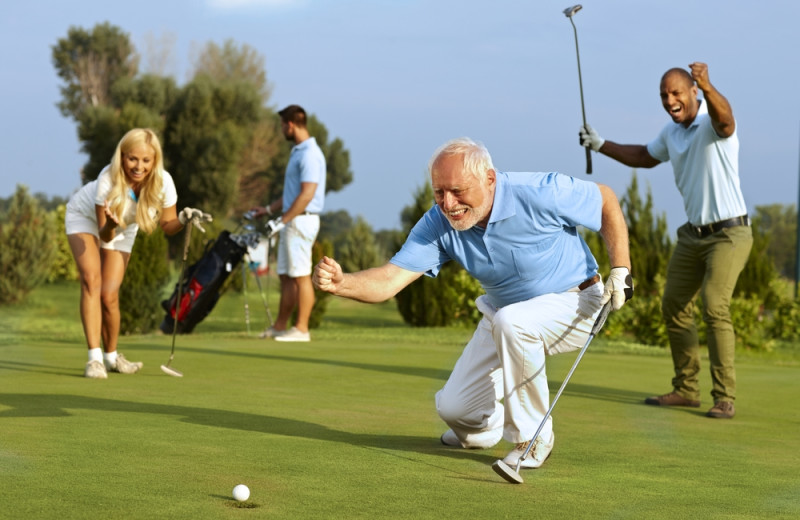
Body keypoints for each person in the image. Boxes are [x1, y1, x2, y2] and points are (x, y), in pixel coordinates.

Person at [312, 137, 633, 469]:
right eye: (439, 192)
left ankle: (533, 439)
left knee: (514, 322)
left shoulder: (538, 191)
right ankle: (483, 433)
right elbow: (390, 279)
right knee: (455, 410)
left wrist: (621, 269)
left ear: (490, 179)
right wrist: (342, 283)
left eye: (458, 191)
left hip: (577, 303)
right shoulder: (439, 223)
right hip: (505, 316)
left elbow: (605, 200)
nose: (448, 204)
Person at [579, 62, 752, 419]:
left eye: (676, 92)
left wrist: (708, 85)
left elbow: (727, 119)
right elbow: (643, 156)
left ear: (692, 93)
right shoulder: (671, 135)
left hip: (730, 234)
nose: (669, 100)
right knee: (673, 305)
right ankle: (687, 389)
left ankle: (724, 397)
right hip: (693, 235)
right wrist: (600, 144)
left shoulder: (713, 123)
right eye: (664, 95)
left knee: (714, 306)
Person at [65, 128, 211, 379]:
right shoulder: (108, 180)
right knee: (91, 281)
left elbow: (167, 225)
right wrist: (110, 225)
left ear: (155, 161)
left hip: (123, 227)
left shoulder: (164, 182)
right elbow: (105, 235)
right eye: (132, 158)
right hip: (86, 220)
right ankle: (95, 359)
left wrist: (183, 218)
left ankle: (112, 357)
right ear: (122, 156)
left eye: (146, 160)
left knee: (109, 295)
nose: (139, 166)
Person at [252, 105, 326, 343]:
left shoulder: (310, 154)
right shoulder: (298, 152)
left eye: (282, 125)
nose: (282, 130)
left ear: (290, 125)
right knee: (286, 275)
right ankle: (281, 326)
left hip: (300, 221)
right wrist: (268, 210)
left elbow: (306, 195)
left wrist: (282, 220)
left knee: (301, 276)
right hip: (291, 221)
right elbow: (293, 194)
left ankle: (302, 329)